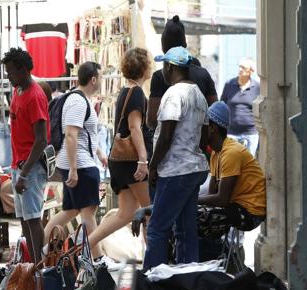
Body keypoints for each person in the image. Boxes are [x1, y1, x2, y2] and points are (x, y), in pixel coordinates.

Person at [145, 46, 210, 270]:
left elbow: (166, 136)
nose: (162, 71)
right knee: (185, 230)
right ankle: (187, 283)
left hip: (175, 170)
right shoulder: (199, 95)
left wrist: (152, 167)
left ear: (170, 67)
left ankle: (152, 283)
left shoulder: (174, 94)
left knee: (157, 229)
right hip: (193, 168)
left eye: (164, 66)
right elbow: (204, 137)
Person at [86, 49, 153, 256]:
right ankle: (153, 258)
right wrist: (143, 160)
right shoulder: (137, 93)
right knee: (150, 210)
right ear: (144, 68)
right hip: (132, 161)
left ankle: (85, 246)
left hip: (120, 161)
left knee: (125, 214)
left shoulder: (126, 91)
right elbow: (134, 127)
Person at [44, 61, 107, 258]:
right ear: (93, 79)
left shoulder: (77, 99)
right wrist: (73, 168)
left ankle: (41, 249)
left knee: (71, 211)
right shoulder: (79, 101)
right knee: (89, 212)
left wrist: (99, 153)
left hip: (77, 162)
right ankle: (97, 260)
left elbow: (82, 134)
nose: (102, 81)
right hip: (80, 165)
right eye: (101, 77)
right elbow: (71, 134)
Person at [2, 48, 50, 263]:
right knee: (23, 218)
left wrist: (24, 174)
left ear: (23, 70)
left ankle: (38, 266)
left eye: (11, 72)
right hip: (18, 164)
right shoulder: (18, 90)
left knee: (32, 219)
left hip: (30, 168)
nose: (9, 76)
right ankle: (30, 264)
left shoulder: (34, 96)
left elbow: (41, 140)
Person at [199, 101, 266, 229]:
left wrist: (191, 201)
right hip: (235, 205)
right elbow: (212, 192)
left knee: (196, 218)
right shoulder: (216, 152)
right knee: (192, 211)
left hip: (250, 212)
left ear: (213, 128)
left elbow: (222, 199)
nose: (199, 130)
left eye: (203, 126)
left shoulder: (231, 153)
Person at [147, 16, 217, 134]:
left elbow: (152, 121)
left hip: (170, 148)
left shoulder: (160, 77)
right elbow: (214, 114)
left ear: (163, 46)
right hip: (198, 146)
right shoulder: (203, 74)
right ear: (185, 43)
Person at [220, 58, 260, 155]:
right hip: (231, 133)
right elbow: (222, 104)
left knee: (248, 165)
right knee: (231, 162)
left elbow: (261, 109)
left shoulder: (257, 87)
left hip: (251, 133)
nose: (240, 69)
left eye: (243, 67)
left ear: (251, 71)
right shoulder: (229, 84)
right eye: (239, 67)